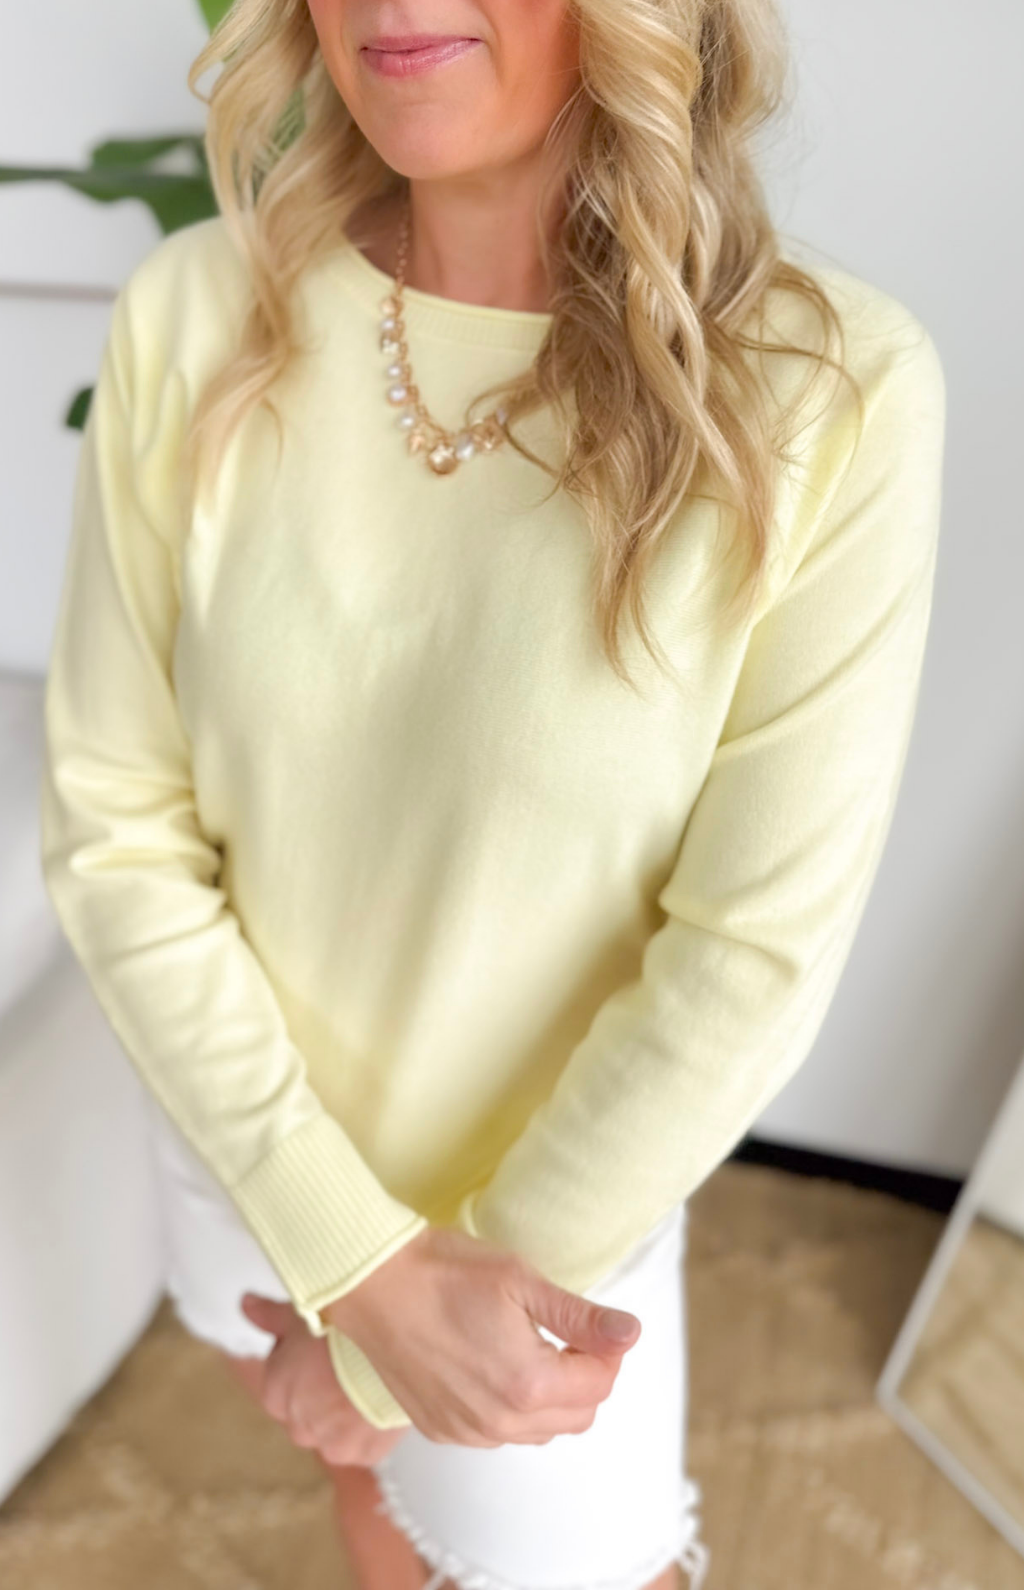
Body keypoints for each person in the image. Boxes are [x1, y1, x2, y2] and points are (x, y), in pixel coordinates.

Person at [38, 0, 947, 1587]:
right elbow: (117, 825)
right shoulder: (195, 316)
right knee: (370, 1514)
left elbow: (749, 957)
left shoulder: (832, 393)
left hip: (550, 1222)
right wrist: (346, 1255)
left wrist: (392, 1337)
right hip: (254, 1144)